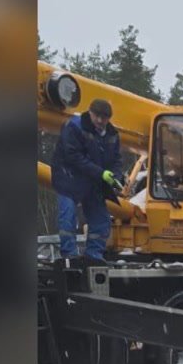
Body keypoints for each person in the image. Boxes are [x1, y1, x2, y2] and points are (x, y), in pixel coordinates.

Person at [50, 98, 122, 262]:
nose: (99, 121)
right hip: (69, 178)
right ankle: (69, 254)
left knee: (101, 220)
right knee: (68, 217)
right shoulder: (74, 126)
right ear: (89, 112)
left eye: (104, 118)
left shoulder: (112, 135)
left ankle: (94, 254)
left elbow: (116, 161)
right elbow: (73, 157)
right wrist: (101, 173)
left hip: (93, 181)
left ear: (109, 118)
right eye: (97, 116)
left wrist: (116, 177)